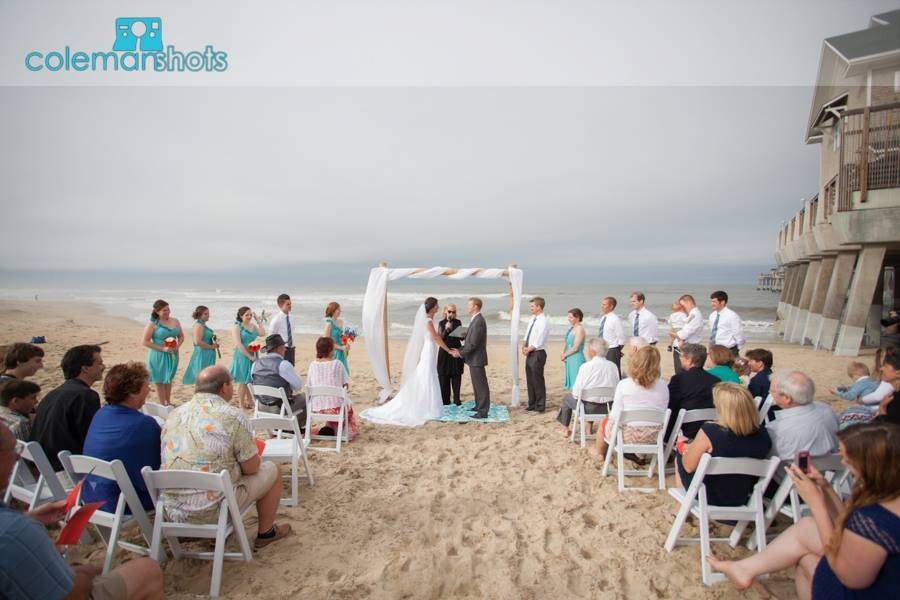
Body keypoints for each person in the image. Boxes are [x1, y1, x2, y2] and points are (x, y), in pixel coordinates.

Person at [709, 422, 900, 598]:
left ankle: (745, 570)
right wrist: (825, 488)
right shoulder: (889, 499)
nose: (844, 464)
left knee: (808, 561)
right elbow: (847, 524)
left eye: (848, 460)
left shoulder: (874, 520)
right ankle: (744, 569)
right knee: (808, 528)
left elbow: (848, 576)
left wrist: (816, 504)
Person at [0, 423, 165, 600]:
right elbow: (74, 595)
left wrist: (28, 519)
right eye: (12, 449)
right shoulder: (14, 533)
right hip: (118, 504)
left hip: (95, 498)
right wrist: (85, 575)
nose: (18, 457)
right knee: (147, 570)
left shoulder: (102, 419)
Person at [161, 366, 292, 547]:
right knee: (273, 469)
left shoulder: (173, 414)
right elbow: (252, 468)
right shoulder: (232, 416)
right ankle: (266, 533)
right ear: (224, 387)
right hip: (214, 508)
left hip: (173, 509)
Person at [675, 383, 772, 506]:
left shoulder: (711, 431)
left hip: (709, 495)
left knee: (681, 449)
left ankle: (681, 506)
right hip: (741, 496)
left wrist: (683, 448)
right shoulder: (763, 434)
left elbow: (688, 467)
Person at [82, 363, 160, 512]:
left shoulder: (101, 414)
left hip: (92, 495)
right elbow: (155, 468)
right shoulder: (143, 424)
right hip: (121, 502)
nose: (149, 390)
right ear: (132, 391)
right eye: (146, 386)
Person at [361, 297, 450, 426]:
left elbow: (435, 337)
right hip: (429, 350)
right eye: (437, 305)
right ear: (432, 307)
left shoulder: (430, 320)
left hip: (430, 348)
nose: (438, 307)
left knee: (428, 373)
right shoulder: (428, 321)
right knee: (426, 374)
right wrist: (447, 350)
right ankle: (427, 405)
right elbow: (435, 338)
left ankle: (427, 403)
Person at [30, 344, 104, 471]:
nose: (103, 367)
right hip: (66, 467)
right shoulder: (85, 395)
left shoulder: (54, 393)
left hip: (44, 464)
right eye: (99, 363)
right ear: (85, 368)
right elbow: (91, 439)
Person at [589, 346, 669, 460]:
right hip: (654, 437)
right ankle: (639, 454)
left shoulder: (625, 384)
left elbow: (614, 416)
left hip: (627, 437)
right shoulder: (663, 386)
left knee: (605, 421)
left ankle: (600, 453)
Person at [767, 370, 839, 473]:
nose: (769, 393)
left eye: (772, 391)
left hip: (792, 482)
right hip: (830, 475)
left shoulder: (777, 429)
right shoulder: (827, 410)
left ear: (787, 398)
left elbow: (767, 460)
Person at [555, 338, 619, 437]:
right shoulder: (613, 366)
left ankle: (565, 429)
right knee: (591, 399)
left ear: (593, 352)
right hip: (608, 408)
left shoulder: (586, 367)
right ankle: (588, 428)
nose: (587, 351)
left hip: (588, 408)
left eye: (588, 349)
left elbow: (576, 393)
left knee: (568, 399)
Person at [306, 336, 357, 439]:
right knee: (345, 404)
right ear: (330, 350)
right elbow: (345, 385)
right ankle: (337, 430)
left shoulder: (312, 365)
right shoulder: (337, 364)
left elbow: (309, 385)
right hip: (336, 409)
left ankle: (329, 427)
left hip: (316, 408)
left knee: (333, 400)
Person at [665, 343, 719, 439]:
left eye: (681, 356)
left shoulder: (679, 379)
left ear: (689, 360)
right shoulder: (715, 380)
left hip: (684, 429)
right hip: (709, 430)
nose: (680, 359)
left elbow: (670, 405)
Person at [250, 334, 306, 421]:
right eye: (284, 347)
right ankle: (295, 427)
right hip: (279, 409)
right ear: (279, 348)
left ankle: (282, 428)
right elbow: (298, 386)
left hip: (261, 408)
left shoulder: (255, 364)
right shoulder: (283, 365)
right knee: (306, 397)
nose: (285, 349)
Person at [453, 297, 492, 419]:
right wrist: (459, 349)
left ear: (475, 306)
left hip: (477, 358)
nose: (467, 307)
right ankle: (478, 406)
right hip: (474, 358)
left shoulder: (479, 321)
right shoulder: (475, 319)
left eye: (469, 305)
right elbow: (470, 340)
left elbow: (473, 344)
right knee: (476, 385)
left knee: (481, 386)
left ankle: (483, 411)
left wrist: (460, 353)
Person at [142, 299, 183, 406]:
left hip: (173, 354)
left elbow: (181, 336)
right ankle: (162, 404)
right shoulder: (152, 324)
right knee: (159, 381)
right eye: (164, 310)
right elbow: (145, 342)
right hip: (158, 354)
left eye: (168, 309)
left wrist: (177, 346)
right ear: (157, 311)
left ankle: (168, 402)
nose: (168, 312)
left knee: (168, 378)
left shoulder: (175, 321)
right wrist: (163, 349)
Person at [230, 306, 266, 410]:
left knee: (250, 380)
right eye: (247, 315)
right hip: (242, 355)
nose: (249, 317)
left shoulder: (253, 326)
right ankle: (241, 403)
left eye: (250, 315)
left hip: (254, 353)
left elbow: (263, 333)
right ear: (241, 316)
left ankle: (250, 401)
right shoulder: (237, 327)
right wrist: (249, 356)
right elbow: (238, 344)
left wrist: (258, 320)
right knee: (243, 380)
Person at [522, 297, 549, 413]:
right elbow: (528, 333)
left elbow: (540, 339)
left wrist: (530, 349)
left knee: (537, 380)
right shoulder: (533, 318)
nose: (531, 308)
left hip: (537, 353)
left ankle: (540, 405)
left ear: (539, 307)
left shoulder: (544, 321)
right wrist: (524, 345)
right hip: (530, 352)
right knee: (530, 379)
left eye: (533, 306)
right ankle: (532, 403)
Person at [182, 305, 218, 385]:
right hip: (202, 353)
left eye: (208, 313)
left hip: (208, 353)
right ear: (199, 315)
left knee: (208, 377)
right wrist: (211, 346)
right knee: (202, 376)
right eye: (205, 314)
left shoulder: (203, 325)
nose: (208, 315)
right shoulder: (199, 325)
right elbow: (197, 342)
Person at [669, 294, 704, 374]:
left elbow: (684, 334)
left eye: (682, 304)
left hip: (688, 349)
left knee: (682, 372)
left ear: (688, 302)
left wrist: (673, 334)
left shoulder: (695, 314)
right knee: (680, 371)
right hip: (684, 347)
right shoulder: (691, 314)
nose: (681, 307)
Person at [437, 304, 465, 406]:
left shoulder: (458, 322)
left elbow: (462, 338)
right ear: (445, 312)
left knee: (456, 375)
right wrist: (447, 329)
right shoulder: (441, 323)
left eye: (453, 312)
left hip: (456, 351)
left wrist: (463, 333)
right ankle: (445, 400)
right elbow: (439, 338)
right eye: (449, 311)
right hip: (444, 351)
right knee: (444, 376)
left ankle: (457, 400)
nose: (451, 314)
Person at [708, 290, 744, 356]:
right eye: (711, 301)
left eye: (714, 302)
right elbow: (712, 333)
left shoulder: (732, 316)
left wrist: (737, 349)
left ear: (722, 302)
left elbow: (738, 334)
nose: (712, 304)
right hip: (715, 350)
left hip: (728, 350)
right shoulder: (712, 315)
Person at [597, 296, 626, 376]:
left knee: (614, 372)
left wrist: (616, 351)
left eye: (604, 304)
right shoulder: (603, 318)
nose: (602, 306)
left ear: (611, 306)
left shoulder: (615, 319)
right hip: (602, 349)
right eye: (602, 304)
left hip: (612, 349)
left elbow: (622, 338)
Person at [267, 294, 298, 366]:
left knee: (290, 370)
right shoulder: (276, 320)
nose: (290, 306)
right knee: (281, 371)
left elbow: (291, 333)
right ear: (280, 306)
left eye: (290, 303)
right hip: (281, 350)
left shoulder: (292, 317)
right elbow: (270, 337)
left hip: (291, 349)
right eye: (287, 304)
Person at [323, 302, 351, 375]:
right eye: (338, 309)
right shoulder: (328, 324)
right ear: (333, 310)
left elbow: (342, 337)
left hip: (341, 352)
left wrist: (346, 344)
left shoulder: (341, 322)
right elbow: (326, 342)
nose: (340, 311)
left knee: (344, 374)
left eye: (340, 309)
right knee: (335, 374)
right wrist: (340, 347)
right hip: (333, 352)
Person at [562, 308, 587, 390]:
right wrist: (564, 354)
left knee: (577, 382)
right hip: (570, 357)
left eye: (571, 317)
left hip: (576, 358)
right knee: (572, 382)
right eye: (568, 317)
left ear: (577, 317)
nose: (569, 319)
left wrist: (565, 355)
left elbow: (576, 348)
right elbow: (568, 344)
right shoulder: (572, 328)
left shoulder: (580, 329)